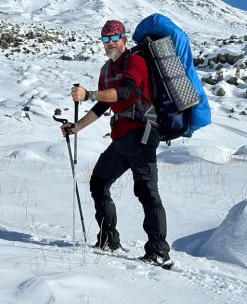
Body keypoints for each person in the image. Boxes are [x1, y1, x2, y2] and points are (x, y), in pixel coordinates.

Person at [60, 19, 172, 268]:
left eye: (114, 38)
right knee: (99, 181)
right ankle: (108, 238)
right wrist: (76, 128)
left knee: (147, 190)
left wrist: (88, 94)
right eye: (105, 39)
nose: (110, 43)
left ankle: (158, 251)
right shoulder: (106, 71)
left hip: (142, 132)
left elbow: (126, 92)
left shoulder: (135, 60)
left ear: (123, 39)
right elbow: (103, 106)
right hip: (121, 136)